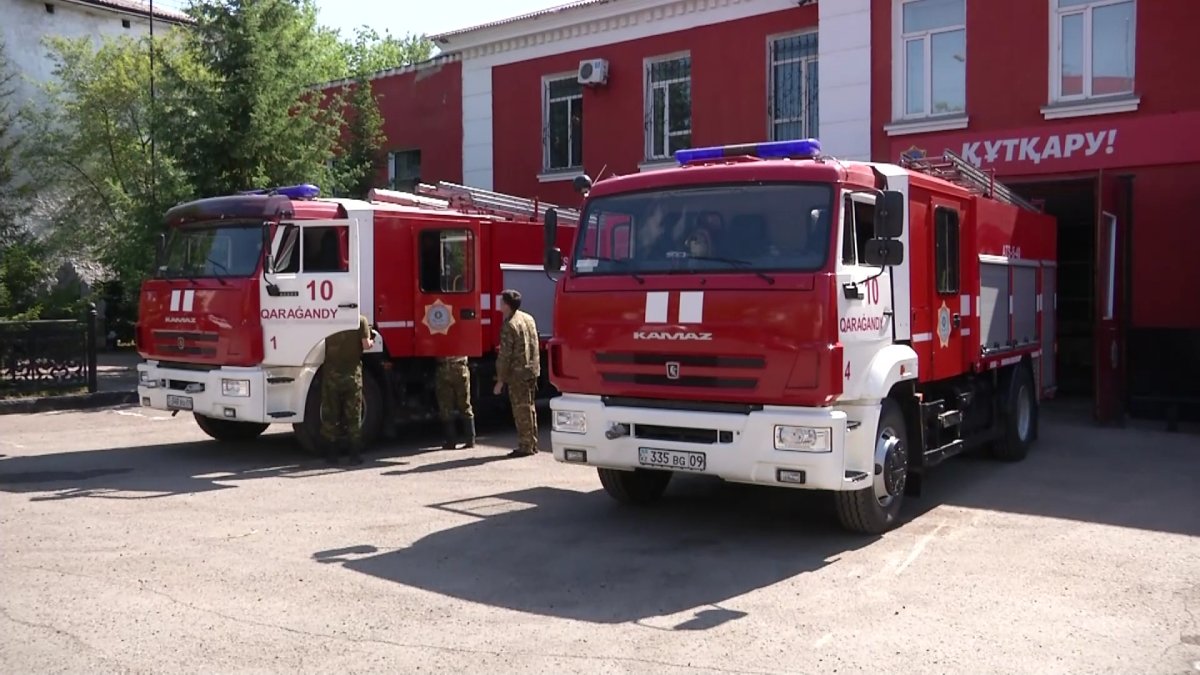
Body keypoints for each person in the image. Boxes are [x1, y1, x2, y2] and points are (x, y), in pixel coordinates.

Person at [493, 289, 541, 457]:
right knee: (529, 408)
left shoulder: (509, 325)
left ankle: (525, 446)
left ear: (506, 305)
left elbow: (505, 356)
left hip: (518, 374)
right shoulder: (528, 319)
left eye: (501, 302)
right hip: (531, 371)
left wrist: (500, 380)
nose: (499, 304)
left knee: (521, 410)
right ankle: (532, 443)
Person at [321, 314, 373, 465]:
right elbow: (366, 345)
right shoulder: (360, 321)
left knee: (331, 416)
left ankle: (331, 456)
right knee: (353, 416)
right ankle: (354, 456)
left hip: (331, 376)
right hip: (352, 377)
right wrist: (371, 337)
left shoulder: (329, 319)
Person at [436, 355, 475, 449]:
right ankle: (470, 440)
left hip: (444, 368)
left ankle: (451, 441)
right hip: (460, 367)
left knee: (446, 407)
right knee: (465, 404)